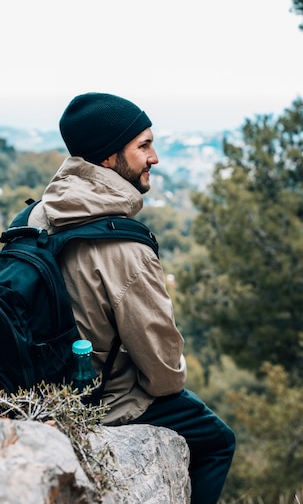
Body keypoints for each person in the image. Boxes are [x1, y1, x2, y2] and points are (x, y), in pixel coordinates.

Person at [28, 92, 235, 503]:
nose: (154, 157)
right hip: (106, 403)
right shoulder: (127, 249)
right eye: (143, 145)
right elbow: (164, 376)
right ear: (107, 158)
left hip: (39, 389)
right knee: (217, 441)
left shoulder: (38, 215)